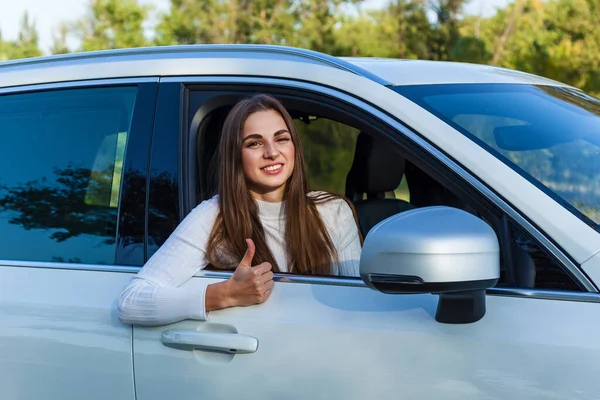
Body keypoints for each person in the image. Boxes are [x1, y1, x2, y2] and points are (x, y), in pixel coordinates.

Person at [117, 94, 362, 326]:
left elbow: (361, 305)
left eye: (281, 139)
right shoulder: (214, 215)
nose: (272, 152)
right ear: (235, 155)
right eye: (254, 143)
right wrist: (226, 294)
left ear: (294, 146)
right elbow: (131, 302)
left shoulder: (334, 211)